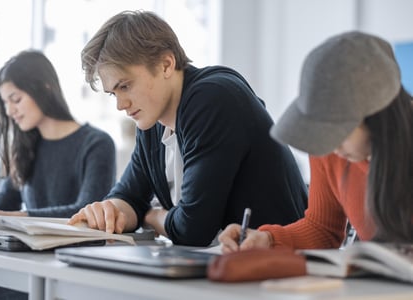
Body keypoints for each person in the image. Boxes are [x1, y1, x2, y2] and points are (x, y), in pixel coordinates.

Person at [68, 10, 308, 247]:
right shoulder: (152, 122)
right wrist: (109, 211)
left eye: (126, 86)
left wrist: (148, 215)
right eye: (113, 93)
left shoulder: (212, 99)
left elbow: (193, 229)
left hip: (279, 268)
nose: (121, 105)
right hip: (222, 269)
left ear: (166, 64)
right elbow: (130, 197)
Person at [219, 31, 413, 254]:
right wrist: (268, 239)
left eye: (337, 130)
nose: (330, 145)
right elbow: (322, 229)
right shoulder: (327, 147)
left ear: (378, 116)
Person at [0, 50, 117, 299]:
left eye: (15, 99)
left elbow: (85, 214)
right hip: (25, 261)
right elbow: (0, 205)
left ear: (44, 88)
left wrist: (7, 216)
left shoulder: (97, 144)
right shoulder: (24, 147)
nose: (10, 111)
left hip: (70, 266)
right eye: (5, 103)